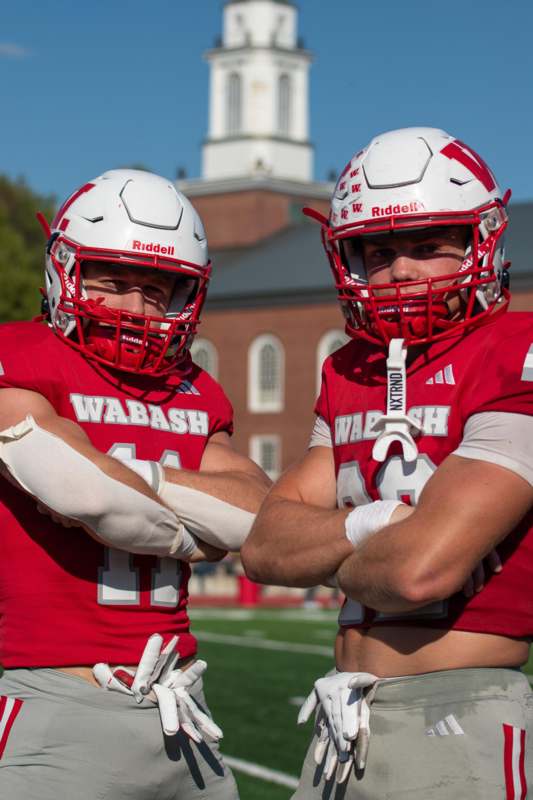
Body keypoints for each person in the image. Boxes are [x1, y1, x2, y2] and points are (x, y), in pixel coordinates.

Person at [241, 128, 533, 798]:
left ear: (482, 243)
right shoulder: (350, 369)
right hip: (342, 712)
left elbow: (419, 571)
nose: (400, 271)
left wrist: (322, 550)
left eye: (427, 247)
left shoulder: (514, 351)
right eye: (379, 252)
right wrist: (373, 524)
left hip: (457, 709)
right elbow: (263, 547)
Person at [0, 169, 270, 800]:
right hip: (58, 700)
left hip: (182, 707)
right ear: (66, 271)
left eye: (156, 290)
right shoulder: (23, 353)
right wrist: (197, 533)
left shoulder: (194, 389)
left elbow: (261, 515)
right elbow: (83, 492)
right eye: (113, 282)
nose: (135, 308)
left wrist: (133, 486)